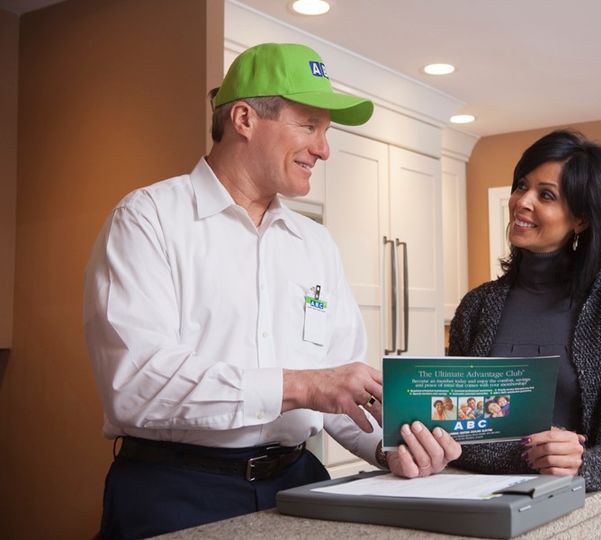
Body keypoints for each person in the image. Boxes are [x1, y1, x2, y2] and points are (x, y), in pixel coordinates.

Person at [84, 43, 460, 539]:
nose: (324, 148)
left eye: (326, 132)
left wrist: (392, 449)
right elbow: (138, 386)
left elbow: (342, 395)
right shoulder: (147, 220)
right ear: (243, 118)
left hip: (299, 485)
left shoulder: (316, 244)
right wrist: (302, 385)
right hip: (173, 491)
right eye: (309, 126)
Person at [448, 130, 601, 540]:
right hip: (486, 518)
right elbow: (459, 430)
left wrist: (582, 461)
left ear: (580, 217)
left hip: (588, 520)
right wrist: (536, 455)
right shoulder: (476, 307)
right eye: (522, 186)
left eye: (546, 195)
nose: (522, 201)